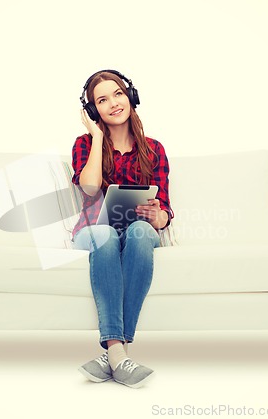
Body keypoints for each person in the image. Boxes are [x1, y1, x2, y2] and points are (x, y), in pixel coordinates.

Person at [71, 70, 173, 388]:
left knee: (142, 231)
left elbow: (166, 208)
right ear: (93, 111)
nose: (114, 103)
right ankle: (119, 353)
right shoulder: (85, 144)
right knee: (106, 233)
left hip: (138, 231)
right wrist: (98, 136)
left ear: (130, 96)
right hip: (94, 231)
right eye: (102, 100)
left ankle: (112, 357)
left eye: (117, 94)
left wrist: (159, 218)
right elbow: (89, 188)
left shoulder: (154, 149)